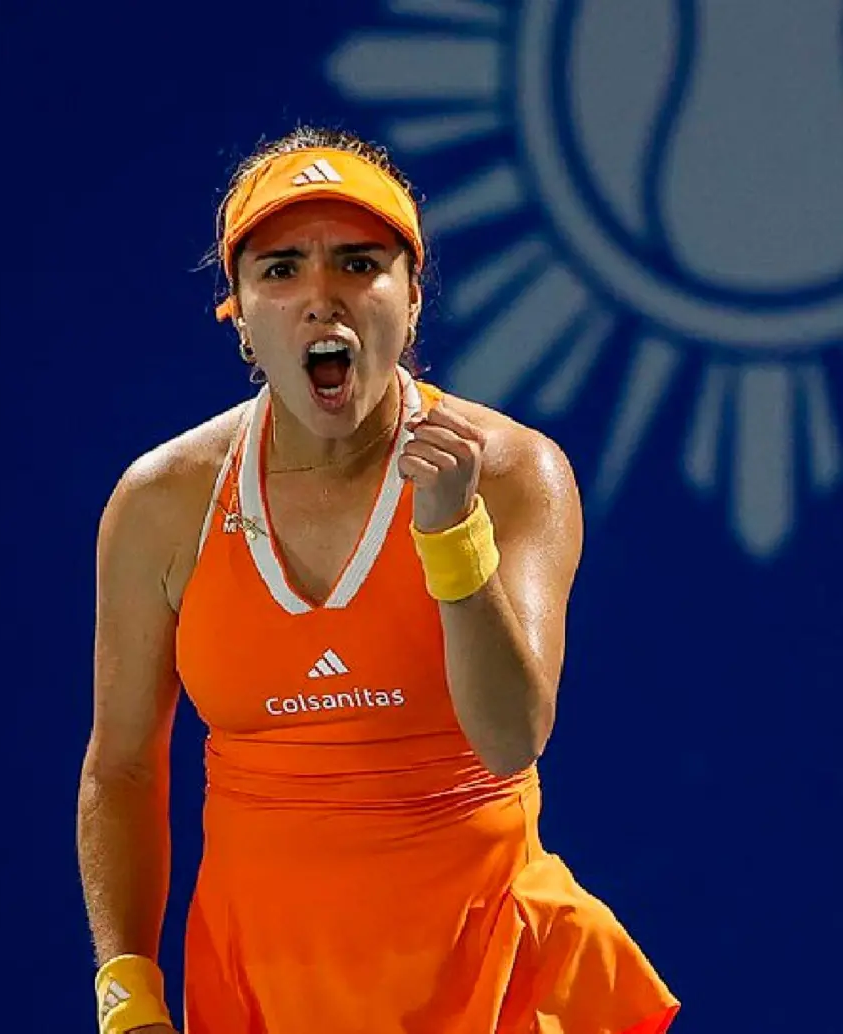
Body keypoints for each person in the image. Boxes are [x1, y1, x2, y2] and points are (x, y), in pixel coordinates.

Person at [77, 125, 680, 1034]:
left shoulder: (515, 472)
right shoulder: (164, 502)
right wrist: (127, 994)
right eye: (281, 270)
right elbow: (122, 764)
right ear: (236, 312)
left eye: (360, 264)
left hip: (494, 988)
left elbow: (512, 736)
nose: (323, 297)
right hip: (260, 996)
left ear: (410, 297)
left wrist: (451, 538)